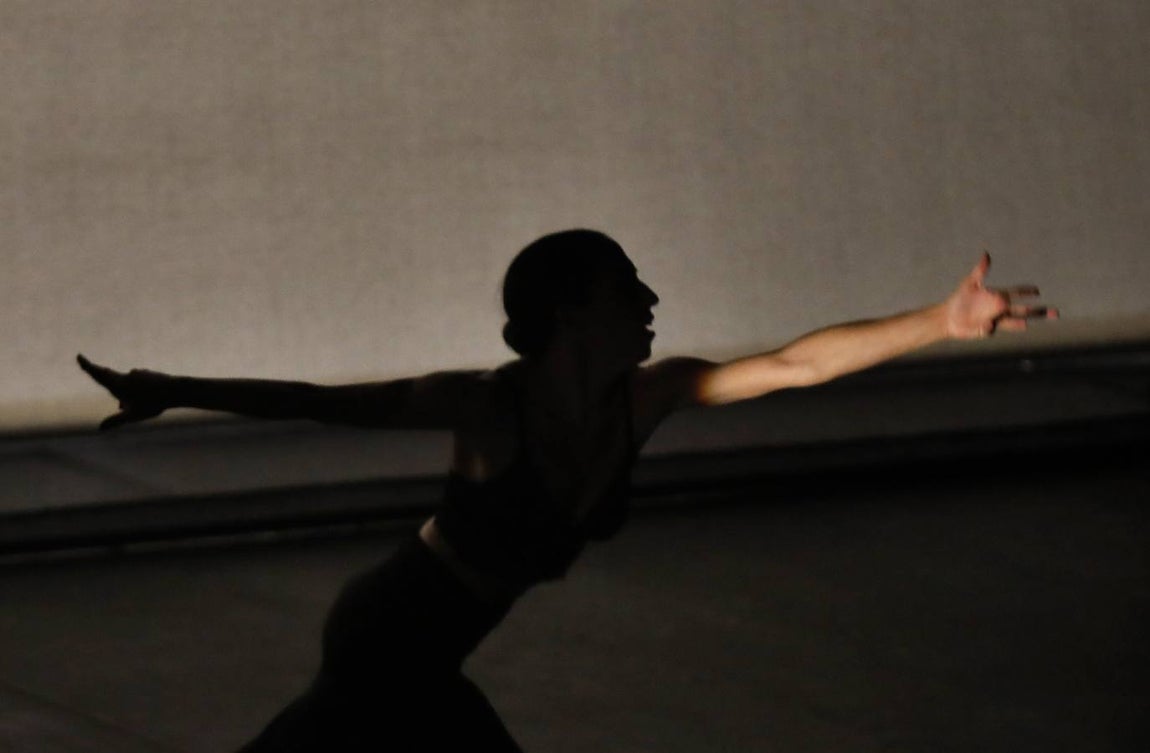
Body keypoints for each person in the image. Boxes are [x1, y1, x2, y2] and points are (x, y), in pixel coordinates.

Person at [77, 229, 1055, 751]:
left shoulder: (649, 397)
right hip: (388, 639)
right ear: (574, 312)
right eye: (628, 286)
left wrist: (941, 320)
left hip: (427, 653)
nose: (651, 300)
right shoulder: (489, 407)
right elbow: (323, 403)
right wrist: (171, 389)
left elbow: (798, 364)